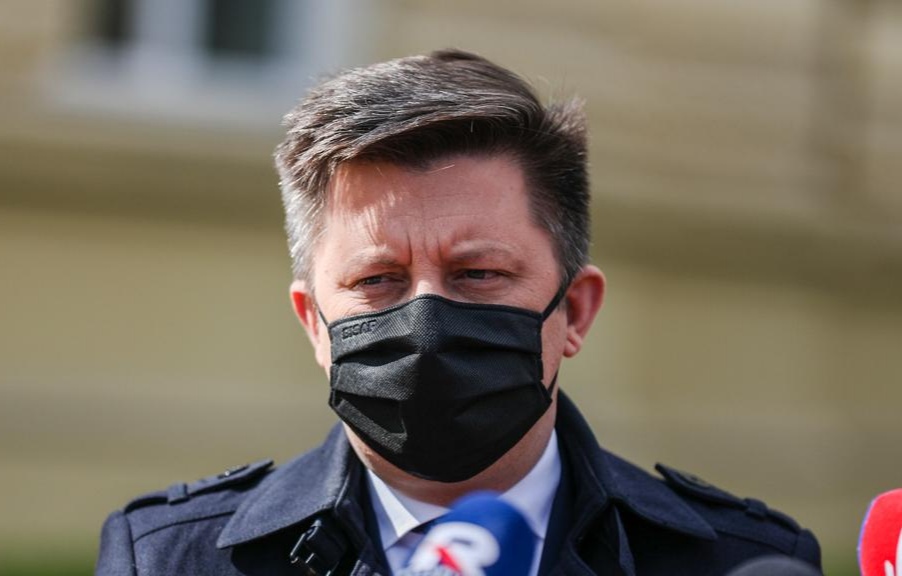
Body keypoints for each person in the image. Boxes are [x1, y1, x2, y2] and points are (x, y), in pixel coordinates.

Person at [96, 49, 821, 576]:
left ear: (574, 311)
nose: (427, 320)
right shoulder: (168, 559)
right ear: (314, 322)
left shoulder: (741, 561)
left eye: (478, 274)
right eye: (377, 279)